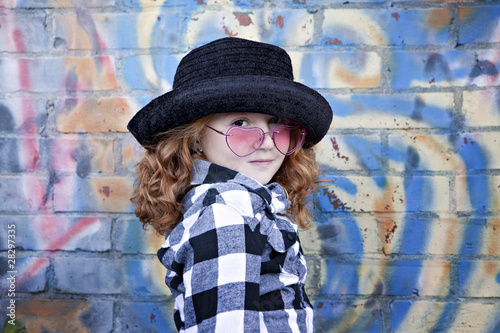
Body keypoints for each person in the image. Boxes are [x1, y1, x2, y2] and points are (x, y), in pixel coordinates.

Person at [127, 37, 333, 332]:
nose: (265, 142)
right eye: (240, 123)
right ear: (196, 138)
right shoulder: (226, 216)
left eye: (275, 121)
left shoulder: (242, 205)